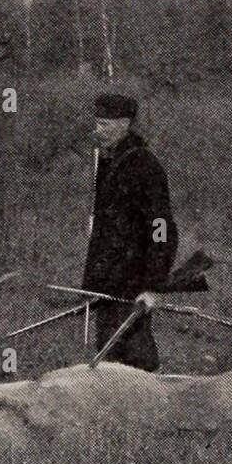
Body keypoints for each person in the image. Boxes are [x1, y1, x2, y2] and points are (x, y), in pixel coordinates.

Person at [80, 93, 178, 371]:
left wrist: (153, 287)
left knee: (137, 361)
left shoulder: (145, 166)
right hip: (108, 283)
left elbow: (162, 229)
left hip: (133, 282)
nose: (98, 131)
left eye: (105, 125)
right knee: (108, 360)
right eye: (97, 124)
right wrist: (92, 281)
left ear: (125, 124)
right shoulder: (107, 162)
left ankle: (153, 411)